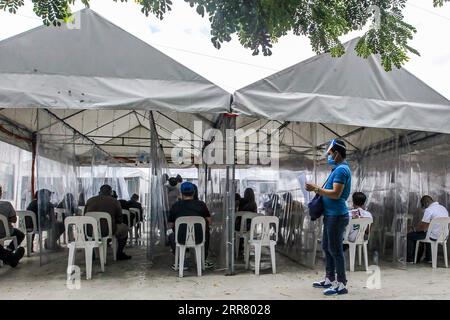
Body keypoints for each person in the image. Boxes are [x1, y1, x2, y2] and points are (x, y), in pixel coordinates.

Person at [306, 139, 351, 295]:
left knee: (335, 250)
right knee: (327, 247)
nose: (329, 156)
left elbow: (336, 194)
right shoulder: (337, 169)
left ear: (337, 153)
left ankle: (341, 284)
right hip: (330, 215)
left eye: (330, 153)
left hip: (337, 216)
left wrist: (316, 189)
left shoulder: (341, 170)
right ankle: (330, 279)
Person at [167, 182, 214, 270]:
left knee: (171, 235)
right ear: (194, 192)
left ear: (181, 193)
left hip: (180, 238)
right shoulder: (201, 204)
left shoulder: (175, 205)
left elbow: (171, 224)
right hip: (199, 237)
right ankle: (203, 260)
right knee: (206, 231)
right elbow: (210, 221)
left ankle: (182, 261)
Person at [84, 185, 131, 260]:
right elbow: (119, 219)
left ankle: (91, 254)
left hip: (90, 231)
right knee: (124, 228)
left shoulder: (90, 200)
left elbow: (85, 216)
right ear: (110, 192)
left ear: (99, 192)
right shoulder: (115, 201)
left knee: (86, 228)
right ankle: (119, 254)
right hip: (107, 231)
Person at [407, 195, 449, 263]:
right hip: (444, 236)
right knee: (429, 232)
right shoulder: (443, 208)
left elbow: (423, 227)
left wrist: (414, 229)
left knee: (410, 236)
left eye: (423, 205)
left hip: (433, 236)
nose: (423, 207)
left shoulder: (429, 210)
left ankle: (410, 259)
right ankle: (429, 258)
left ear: (426, 203)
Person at [0, 185, 25, 250]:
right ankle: (9, 250)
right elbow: (14, 220)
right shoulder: (7, 204)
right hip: (5, 232)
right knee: (20, 235)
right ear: (0, 193)